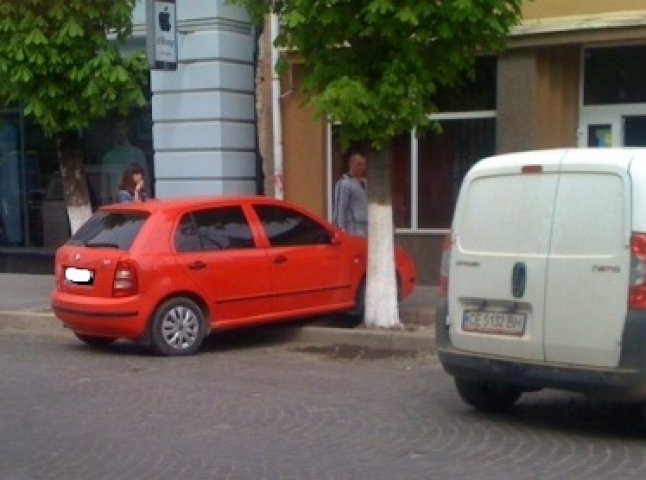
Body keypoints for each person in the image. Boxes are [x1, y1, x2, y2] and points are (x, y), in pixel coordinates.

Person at [101, 118, 149, 204]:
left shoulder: (138, 154)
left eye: (122, 127)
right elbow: (104, 188)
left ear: (127, 129)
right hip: (114, 206)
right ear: (113, 131)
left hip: (135, 202)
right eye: (117, 128)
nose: (120, 131)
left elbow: (146, 181)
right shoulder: (108, 157)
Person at [333, 152, 368, 237]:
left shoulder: (365, 183)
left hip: (366, 226)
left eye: (363, 165)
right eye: (359, 165)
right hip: (352, 227)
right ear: (351, 165)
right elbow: (340, 207)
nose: (362, 168)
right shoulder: (344, 184)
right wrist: (340, 229)